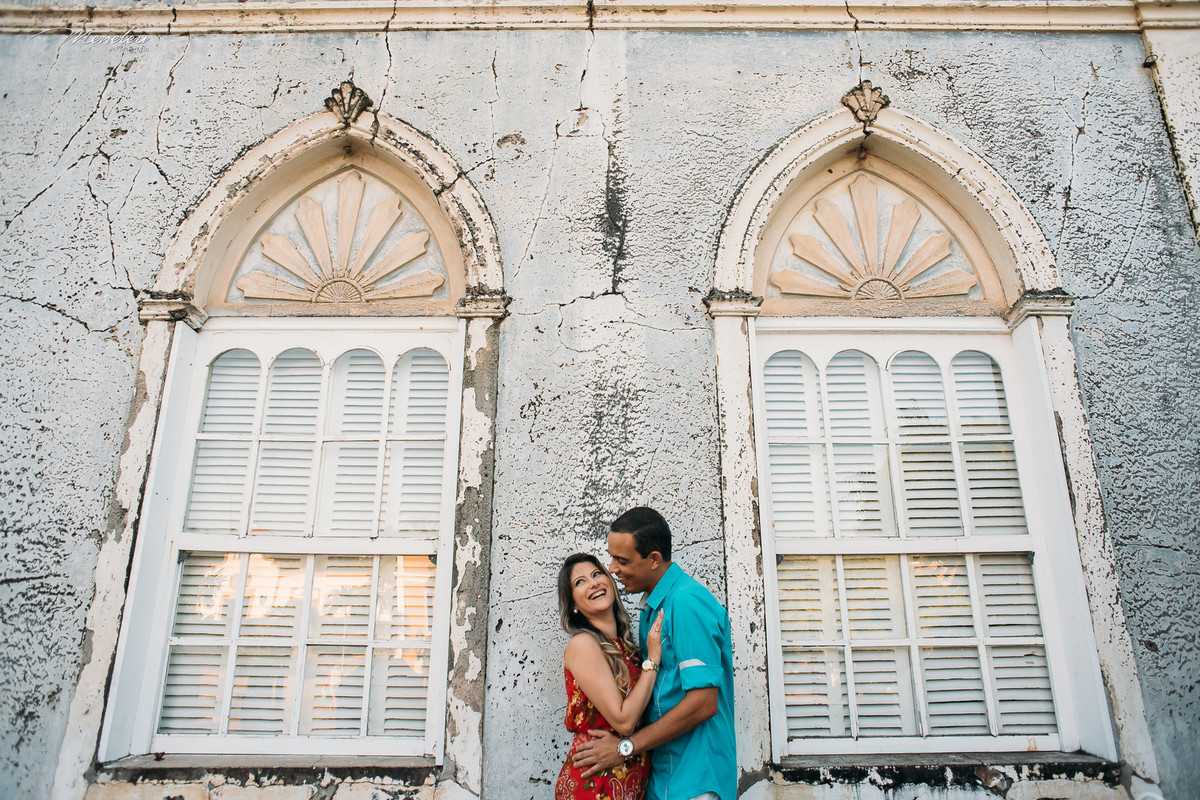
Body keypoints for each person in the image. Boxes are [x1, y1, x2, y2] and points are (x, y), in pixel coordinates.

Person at [573, 507, 736, 800]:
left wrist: (626, 747)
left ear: (654, 560)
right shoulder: (655, 607)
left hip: (695, 782)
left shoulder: (686, 603)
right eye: (611, 558)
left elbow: (703, 703)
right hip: (665, 779)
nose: (612, 569)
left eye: (622, 561)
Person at [555, 552, 664, 800]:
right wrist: (653, 660)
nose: (593, 583)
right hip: (596, 785)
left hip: (625, 783)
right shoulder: (583, 644)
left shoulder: (624, 648)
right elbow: (624, 722)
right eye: (579, 582)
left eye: (596, 574)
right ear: (573, 603)